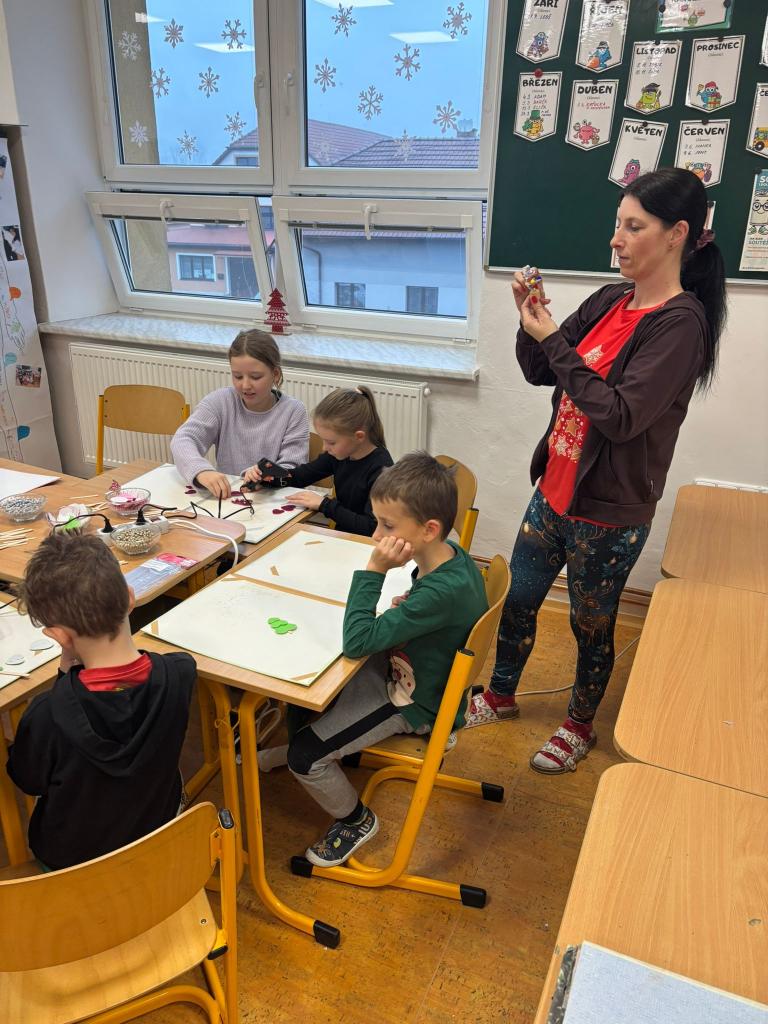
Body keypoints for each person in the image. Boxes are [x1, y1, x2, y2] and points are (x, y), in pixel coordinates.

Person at [467, 167, 726, 775]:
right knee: (518, 601)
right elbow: (542, 370)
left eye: (633, 226)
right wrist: (530, 319)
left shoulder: (680, 324)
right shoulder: (611, 299)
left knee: (591, 624)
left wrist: (554, 340)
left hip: (609, 512)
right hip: (554, 490)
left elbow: (620, 417)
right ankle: (501, 695)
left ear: (676, 234)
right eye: (617, 224)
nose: (616, 238)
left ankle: (578, 725)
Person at [269, 453, 488, 866]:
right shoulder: (450, 557)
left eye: (387, 526)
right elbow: (430, 609)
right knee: (306, 679)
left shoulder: (442, 590)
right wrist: (410, 603)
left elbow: (357, 642)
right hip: (410, 666)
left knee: (305, 756)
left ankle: (356, 820)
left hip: (413, 699)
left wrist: (374, 570)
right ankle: (308, 740)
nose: (376, 535)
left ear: (429, 529)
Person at [6, 533, 196, 870]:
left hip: (73, 867)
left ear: (59, 636)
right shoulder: (181, 672)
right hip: (158, 838)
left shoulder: (46, 715)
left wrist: (64, 675)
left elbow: (28, 780)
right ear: (130, 597)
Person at [171, 329, 309, 499]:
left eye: (255, 377)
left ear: (275, 374)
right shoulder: (220, 401)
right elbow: (183, 439)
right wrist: (201, 470)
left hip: (270, 500)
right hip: (227, 499)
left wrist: (260, 475)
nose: (245, 385)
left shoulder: (293, 411)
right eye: (237, 376)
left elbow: (292, 468)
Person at [245, 386, 393, 536]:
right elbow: (299, 477)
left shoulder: (381, 469)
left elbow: (371, 528)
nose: (324, 448)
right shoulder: (337, 455)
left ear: (359, 436)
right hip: (341, 538)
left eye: (331, 442)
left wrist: (324, 504)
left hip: (365, 544)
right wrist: (267, 477)